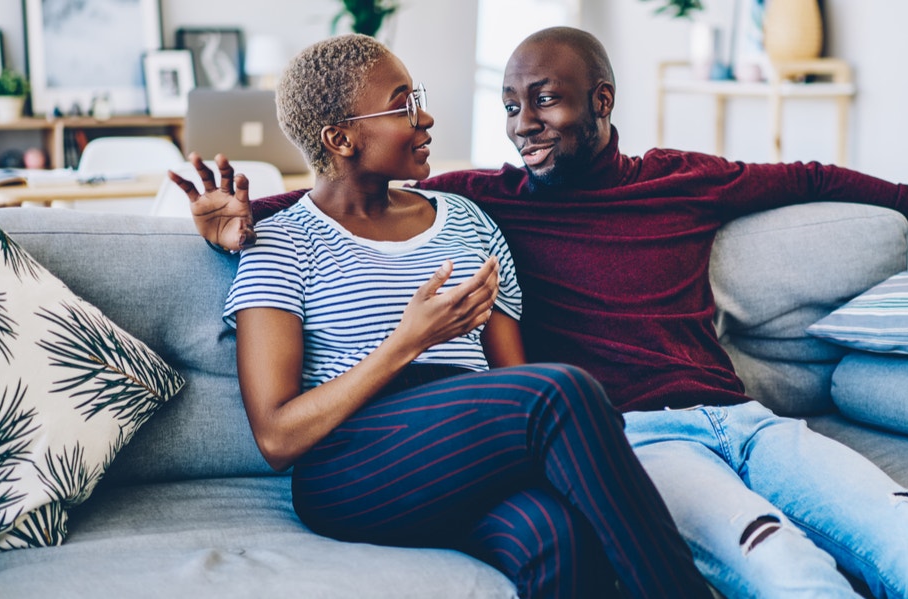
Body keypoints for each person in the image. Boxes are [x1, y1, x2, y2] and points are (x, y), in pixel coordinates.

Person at [177, 27, 908, 599]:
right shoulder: (320, 232)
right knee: (757, 541)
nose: (518, 126)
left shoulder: (486, 216)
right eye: (509, 106)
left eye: (540, 101)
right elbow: (338, 210)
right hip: (500, 444)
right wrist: (258, 222)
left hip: (707, 420)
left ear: (603, 100)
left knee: (563, 542)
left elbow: (814, 175)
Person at [200, 33, 714, 599]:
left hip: (463, 452)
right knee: (560, 391)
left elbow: (510, 381)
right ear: (340, 138)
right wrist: (408, 341)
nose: (426, 116)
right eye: (402, 104)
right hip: (350, 468)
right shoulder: (280, 245)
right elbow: (276, 436)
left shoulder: (467, 221)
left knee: (560, 538)